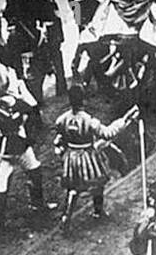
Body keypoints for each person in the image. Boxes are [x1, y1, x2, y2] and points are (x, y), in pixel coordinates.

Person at [54, 86, 137, 228]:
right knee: (98, 183)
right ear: (83, 100)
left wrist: (62, 152)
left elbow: (59, 139)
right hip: (87, 156)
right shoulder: (89, 121)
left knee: (73, 188)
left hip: (71, 157)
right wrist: (124, 120)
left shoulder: (62, 120)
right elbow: (108, 133)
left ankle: (66, 216)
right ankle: (98, 212)